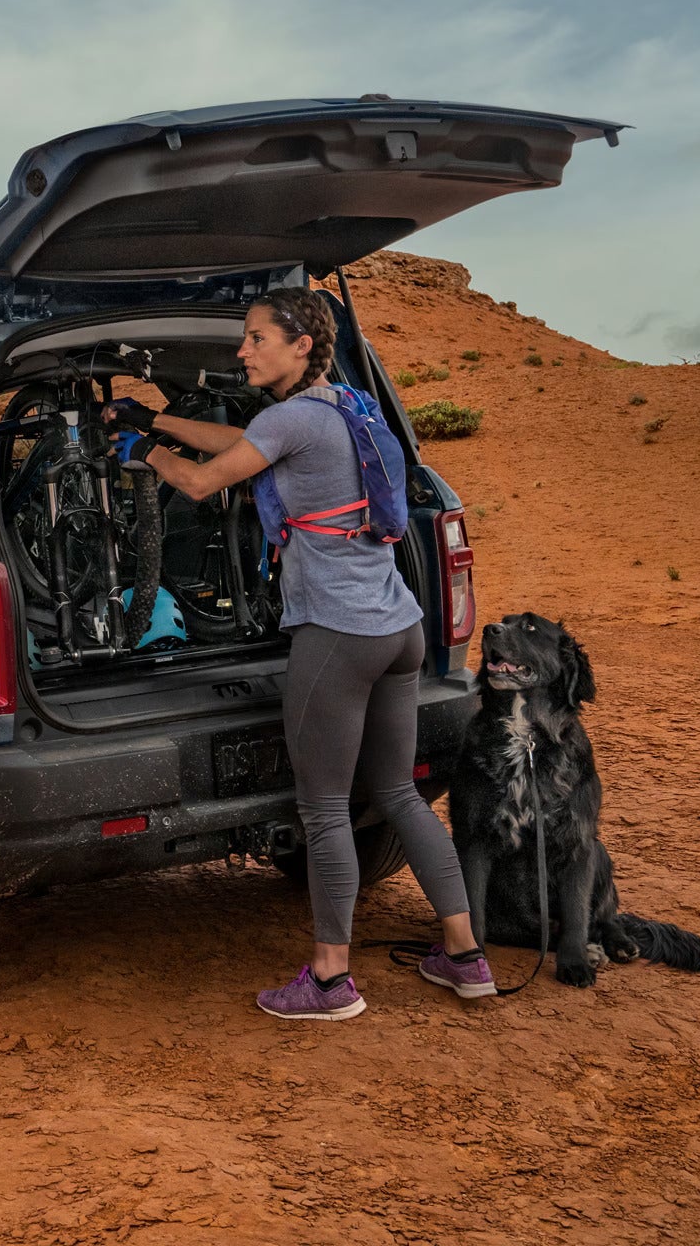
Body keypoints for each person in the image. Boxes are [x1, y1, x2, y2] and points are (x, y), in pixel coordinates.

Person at [104, 285, 491, 1018]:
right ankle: (466, 958)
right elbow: (247, 444)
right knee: (399, 794)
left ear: (301, 345)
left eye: (256, 338)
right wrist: (155, 415)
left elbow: (199, 480)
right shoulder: (345, 406)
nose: (242, 350)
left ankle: (329, 979)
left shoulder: (288, 421)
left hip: (338, 635)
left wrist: (141, 448)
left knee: (321, 810)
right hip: (398, 627)